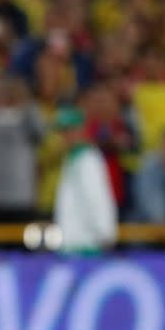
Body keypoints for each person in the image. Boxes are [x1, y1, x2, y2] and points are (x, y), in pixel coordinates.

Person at [53, 106, 118, 253]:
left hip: (87, 244)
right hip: (71, 242)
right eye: (63, 132)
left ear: (80, 131)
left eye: (69, 131)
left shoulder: (88, 159)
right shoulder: (72, 158)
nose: (65, 136)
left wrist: (104, 233)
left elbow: (97, 198)